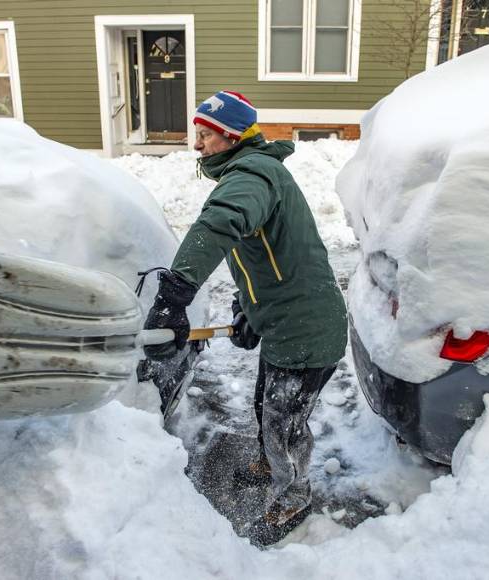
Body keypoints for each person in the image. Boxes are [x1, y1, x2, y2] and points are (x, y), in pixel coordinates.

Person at [142, 90, 347, 546]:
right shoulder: (254, 172)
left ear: (232, 136)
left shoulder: (253, 174)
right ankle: (267, 462)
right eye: (197, 134)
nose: (196, 144)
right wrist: (246, 308)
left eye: (205, 135)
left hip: (307, 328)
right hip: (286, 322)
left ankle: (294, 497)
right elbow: (261, 256)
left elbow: (220, 224)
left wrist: (176, 294)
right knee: (265, 405)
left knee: (284, 425)